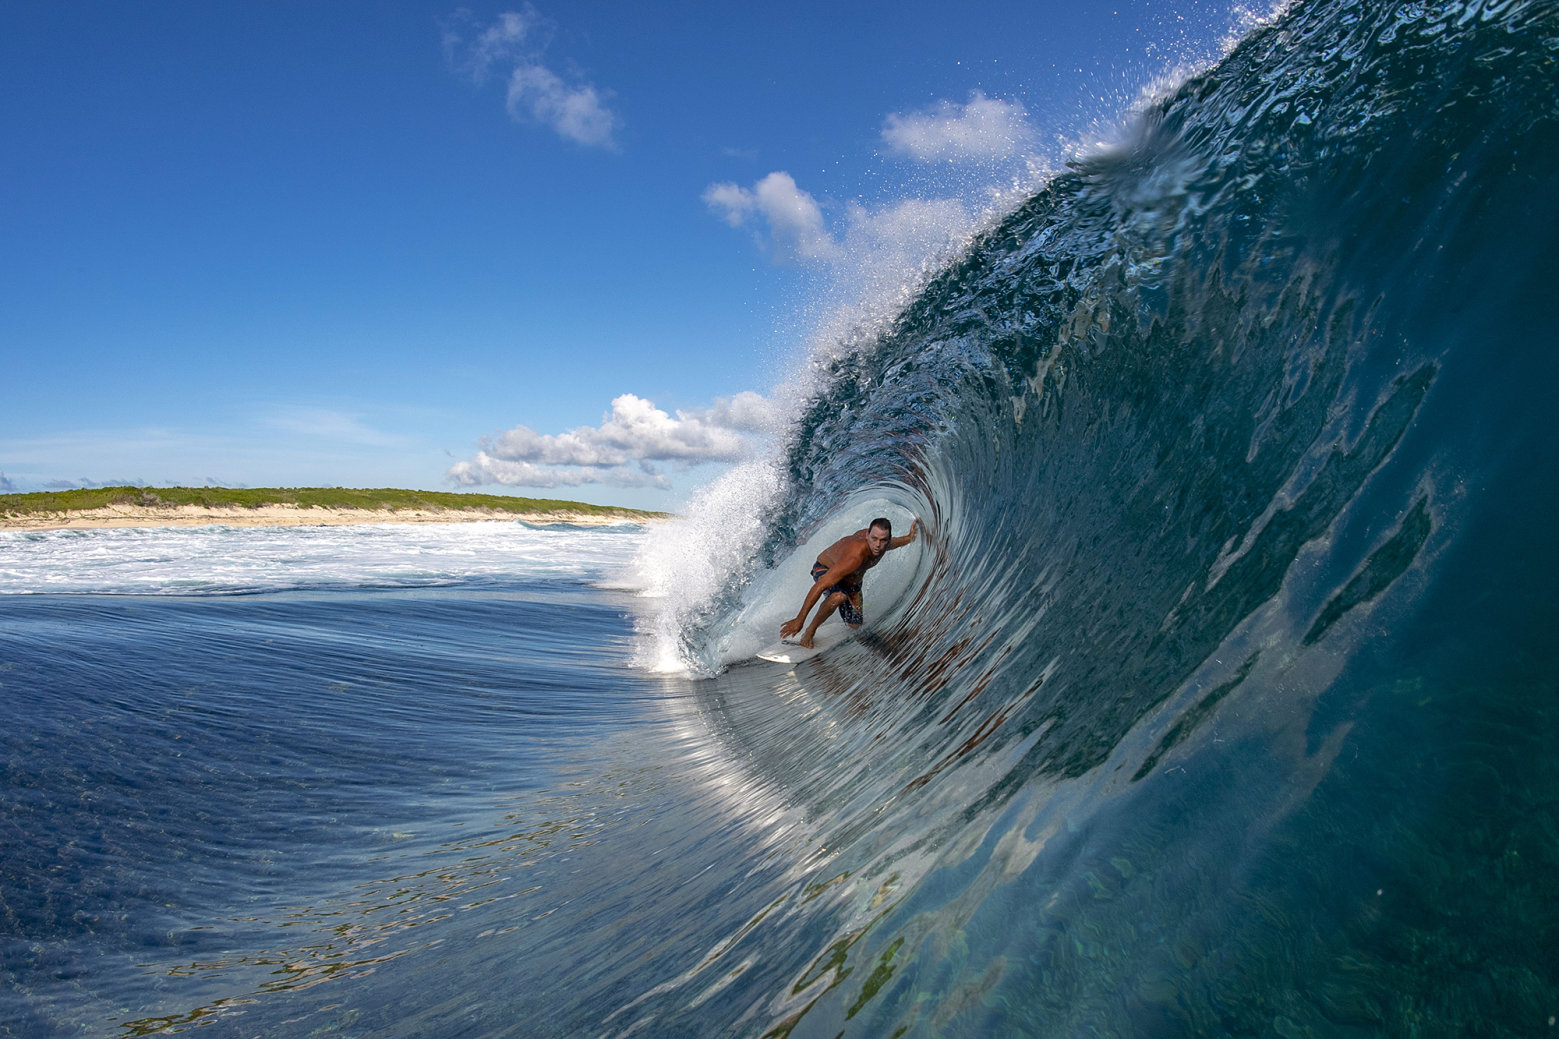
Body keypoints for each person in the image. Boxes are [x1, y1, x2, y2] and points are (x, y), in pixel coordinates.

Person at [779, 516, 920, 648]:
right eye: (874, 539)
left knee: (855, 626)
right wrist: (800, 619)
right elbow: (820, 585)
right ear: (867, 535)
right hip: (825, 569)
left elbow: (894, 543)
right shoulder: (855, 557)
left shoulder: (882, 544)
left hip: (852, 583)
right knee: (838, 597)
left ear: (888, 539)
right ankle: (809, 632)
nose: (878, 544)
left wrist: (909, 538)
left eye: (883, 540)